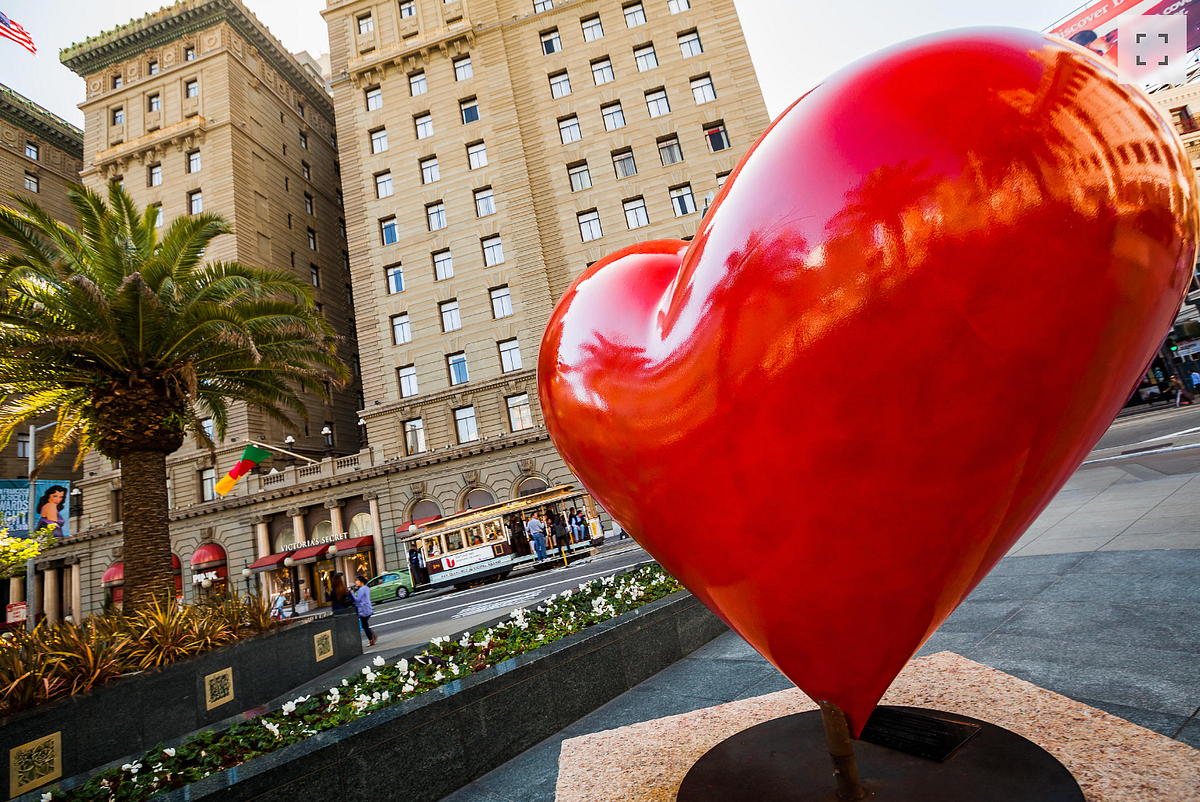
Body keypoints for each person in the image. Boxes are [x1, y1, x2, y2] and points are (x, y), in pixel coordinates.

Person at [352, 575, 376, 647]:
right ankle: (372, 636)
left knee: (365, 626)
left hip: (363, 610)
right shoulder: (366, 588)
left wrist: (352, 594)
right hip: (368, 608)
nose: (356, 582)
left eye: (357, 580)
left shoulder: (361, 589)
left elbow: (357, 600)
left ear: (361, 581)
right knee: (365, 625)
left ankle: (371, 640)